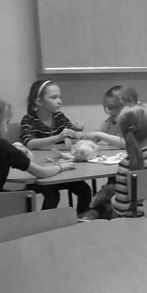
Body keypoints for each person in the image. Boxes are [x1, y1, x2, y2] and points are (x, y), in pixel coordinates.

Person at [0, 93, 74, 193]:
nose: (7, 128)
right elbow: (42, 172)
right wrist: (61, 166)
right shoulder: (1, 146)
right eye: (6, 122)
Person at [81, 104, 147, 219]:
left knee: (103, 206)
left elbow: (121, 209)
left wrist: (111, 197)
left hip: (137, 221)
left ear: (122, 135)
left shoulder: (126, 165)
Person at [20, 79, 92, 212]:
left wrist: (78, 131)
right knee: (53, 196)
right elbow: (29, 143)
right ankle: (45, 223)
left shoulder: (59, 117)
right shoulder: (29, 119)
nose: (59, 101)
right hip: (40, 172)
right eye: (54, 97)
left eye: (60, 97)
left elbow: (72, 132)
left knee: (85, 190)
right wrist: (57, 137)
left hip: (61, 168)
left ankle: (81, 217)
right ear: (39, 102)